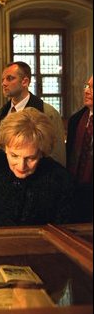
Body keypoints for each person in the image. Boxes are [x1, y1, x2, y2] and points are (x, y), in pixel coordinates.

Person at [0, 107, 75, 227]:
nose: (21, 166)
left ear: (42, 153)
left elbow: (62, 230)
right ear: (5, 148)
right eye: (14, 156)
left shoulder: (60, 178)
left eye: (30, 158)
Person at [0, 62, 66, 166]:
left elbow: (57, 157)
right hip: (2, 179)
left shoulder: (48, 113)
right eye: (3, 80)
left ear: (25, 81)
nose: (4, 83)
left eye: (10, 78)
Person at [66, 75, 93, 222]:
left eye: (92, 88)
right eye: (87, 86)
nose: (87, 91)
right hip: (76, 192)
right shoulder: (76, 120)